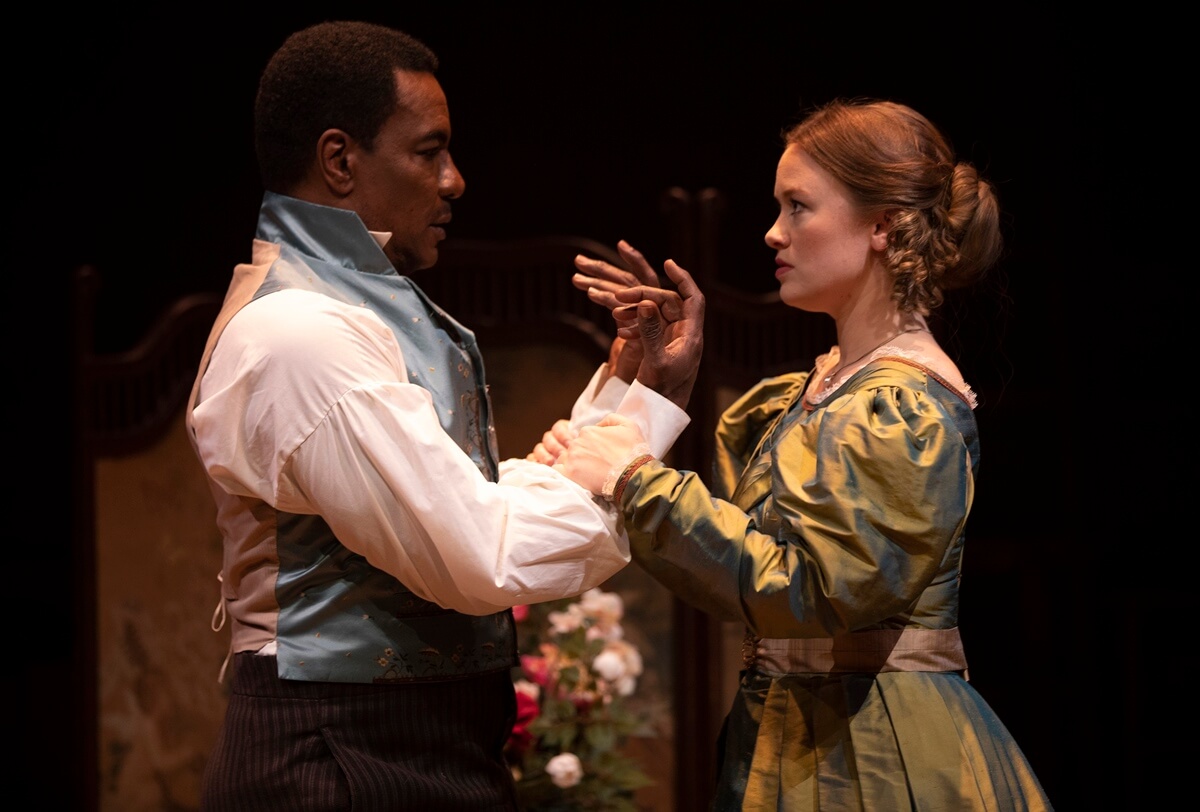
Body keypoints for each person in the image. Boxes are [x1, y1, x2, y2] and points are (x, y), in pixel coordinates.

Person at [184, 20, 693, 811]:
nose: (455, 181)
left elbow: (468, 504)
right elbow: (479, 556)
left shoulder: (349, 312)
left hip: (399, 747)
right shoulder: (302, 334)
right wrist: (635, 443)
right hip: (338, 761)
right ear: (340, 160)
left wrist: (631, 395)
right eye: (429, 151)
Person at [555, 99, 1054, 810]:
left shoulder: (901, 406)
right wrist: (645, 394)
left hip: (873, 750)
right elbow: (738, 559)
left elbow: (814, 590)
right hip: (790, 730)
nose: (773, 232)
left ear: (881, 225)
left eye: (798, 208)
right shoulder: (822, 388)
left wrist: (635, 480)